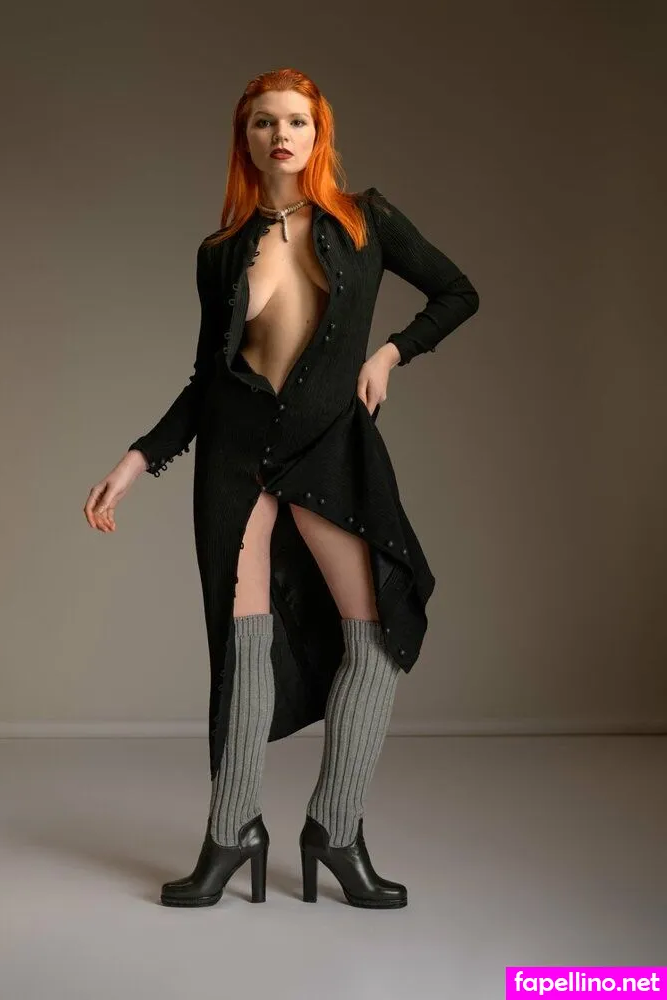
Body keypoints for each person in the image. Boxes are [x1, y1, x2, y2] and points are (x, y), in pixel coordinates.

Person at [83, 68, 479, 909]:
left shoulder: (366, 220)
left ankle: (336, 827)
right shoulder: (220, 253)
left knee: (378, 635)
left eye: (297, 121)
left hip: (330, 450)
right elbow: (207, 380)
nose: (282, 136)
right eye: (265, 122)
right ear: (246, 138)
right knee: (242, 646)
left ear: (318, 132)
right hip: (236, 458)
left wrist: (390, 353)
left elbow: (458, 292)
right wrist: (137, 460)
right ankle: (232, 832)